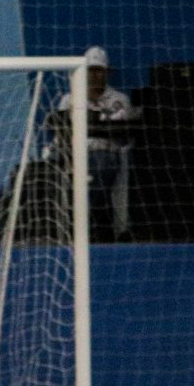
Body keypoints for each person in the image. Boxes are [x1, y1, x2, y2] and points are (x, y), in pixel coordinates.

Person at [49, 46, 138, 241]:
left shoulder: (120, 100)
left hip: (108, 154)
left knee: (99, 167)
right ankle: (98, 225)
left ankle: (93, 227)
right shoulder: (70, 99)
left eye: (99, 70)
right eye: (91, 70)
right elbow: (59, 132)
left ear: (107, 72)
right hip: (75, 156)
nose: (95, 75)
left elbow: (126, 135)